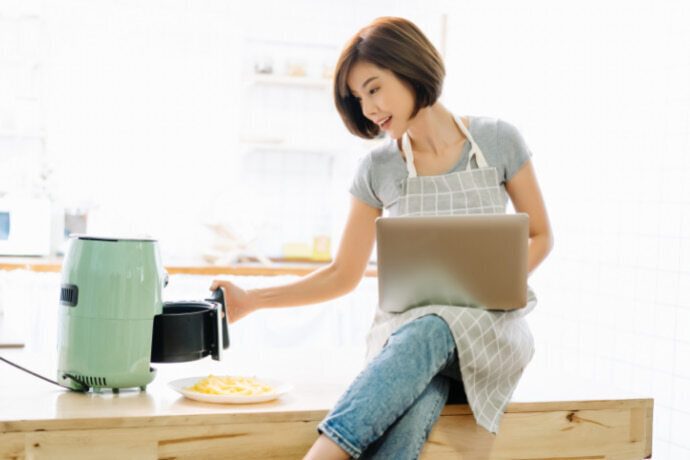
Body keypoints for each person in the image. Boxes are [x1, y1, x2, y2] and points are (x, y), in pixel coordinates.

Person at [210, 16, 553, 460]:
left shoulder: (498, 140)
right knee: (419, 384)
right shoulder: (378, 169)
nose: (369, 108)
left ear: (411, 67)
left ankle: (324, 453)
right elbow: (342, 274)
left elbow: (541, 235)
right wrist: (253, 299)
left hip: (490, 330)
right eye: (359, 97)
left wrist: (494, 284)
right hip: (408, 340)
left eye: (374, 88)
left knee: (433, 326)